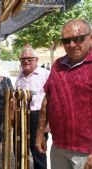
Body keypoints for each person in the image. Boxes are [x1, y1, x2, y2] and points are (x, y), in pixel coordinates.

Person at [36, 19, 92, 169]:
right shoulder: (57, 66)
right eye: (66, 41)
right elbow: (47, 100)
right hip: (58, 147)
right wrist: (40, 133)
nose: (72, 44)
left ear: (90, 38)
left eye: (78, 39)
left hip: (86, 152)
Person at [15, 46, 50, 169]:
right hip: (22, 116)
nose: (26, 61)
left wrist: (48, 123)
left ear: (36, 60)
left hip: (38, 116)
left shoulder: (45, 74)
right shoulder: (19, 77)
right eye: (23, 59)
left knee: (38, 150)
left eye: (29, 59)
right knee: (20, 149)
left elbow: (52, 99)